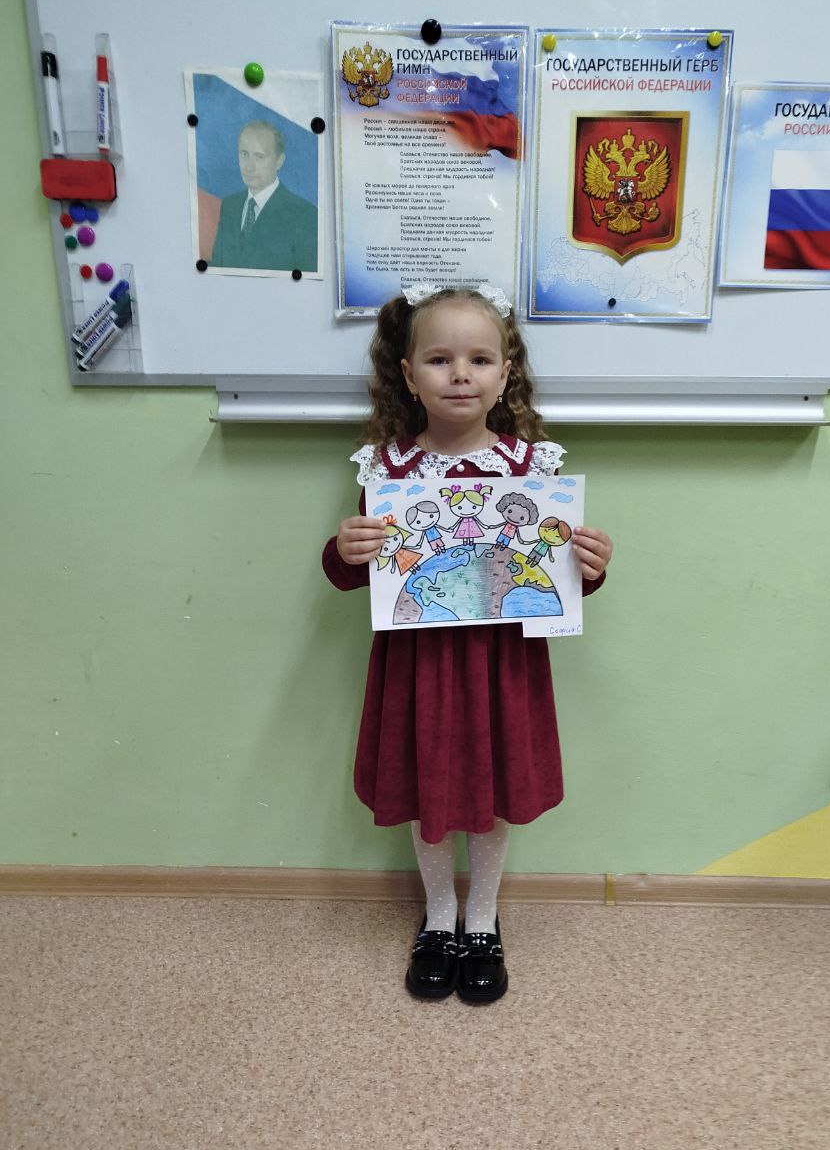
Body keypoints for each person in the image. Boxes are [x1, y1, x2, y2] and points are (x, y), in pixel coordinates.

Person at [322, 284, 613, 1004]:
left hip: (502, 665)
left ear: (506, 372)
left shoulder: (533, 468)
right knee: (429, 786)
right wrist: (345, 550)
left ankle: (481, 919)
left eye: (480, 359)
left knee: (494, 787)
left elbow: (555, 580)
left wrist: (589, 565)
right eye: (440, 359)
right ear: (408, 374)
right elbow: (354, 574)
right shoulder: (387, 472)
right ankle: (439, 916)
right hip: (417, 665)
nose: (461, 374)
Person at [210, 120, 317, 272]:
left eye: (259, 157)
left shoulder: (304, 215)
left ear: (279, 161)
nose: (249, 167)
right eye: (244, 154)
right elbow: (216, 270)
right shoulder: (229, 206)